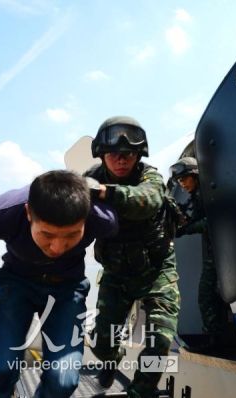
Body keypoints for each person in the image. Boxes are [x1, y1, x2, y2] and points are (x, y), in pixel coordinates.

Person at [0, 170, 118, 398]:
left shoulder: (102, 219)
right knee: (0, 368)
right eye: (47, 235)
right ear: (29, 213)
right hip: (16, 283)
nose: (58, 248)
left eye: (71, 235)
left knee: (63, 378)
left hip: (67, 289)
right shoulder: (0, 214)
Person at [84, 116, 180, 398]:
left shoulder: (150, 177)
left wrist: (104, 194)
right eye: (114, 154)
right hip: (116, 273)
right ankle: (112, 359)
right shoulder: (89, 179)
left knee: (160, 338)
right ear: (102, 155)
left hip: (156, 271)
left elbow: (147, 201)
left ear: (139, 155)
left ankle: (140, 391)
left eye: (128, 154)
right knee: (103, 342)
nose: (121, 160)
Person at [169, 157, 234, 357]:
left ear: (196, 175)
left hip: (224, 251)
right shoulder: (198, 195)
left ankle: (216, 342)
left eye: (185, 179)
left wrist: (186, 229)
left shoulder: (211, 192)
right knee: (214, 295)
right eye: (179, 182)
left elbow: (214, 221)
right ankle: (219, 340)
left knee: (207, 295)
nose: (183, 184)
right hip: (217, 251)